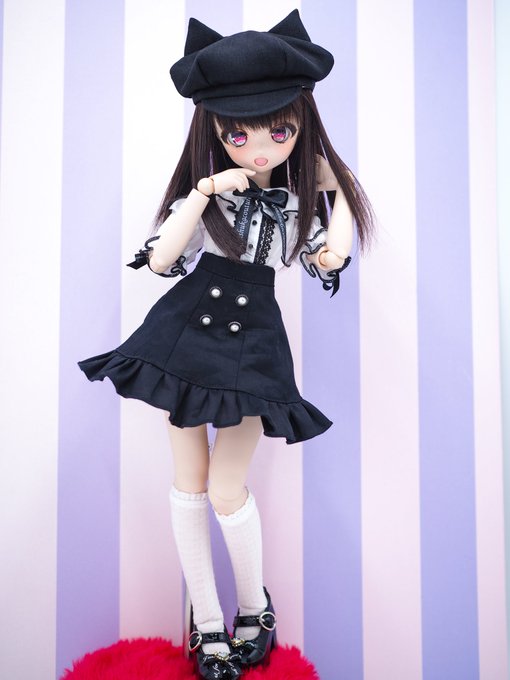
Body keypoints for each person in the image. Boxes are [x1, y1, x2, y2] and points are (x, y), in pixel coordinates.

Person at [79, 10, 374, 679]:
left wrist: (340, 191)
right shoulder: (211, 195)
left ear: (300, 127)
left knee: (226, 487)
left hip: (253, 347)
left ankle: (254, 609)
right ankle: (207, 624)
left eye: (279, 131)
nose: (260, 148)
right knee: (188, 483)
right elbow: (162, 261)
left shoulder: (295, 206)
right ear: (213, 131)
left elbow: (331, 257)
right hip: (185, 334)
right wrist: (205, 189)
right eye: (238, 134)